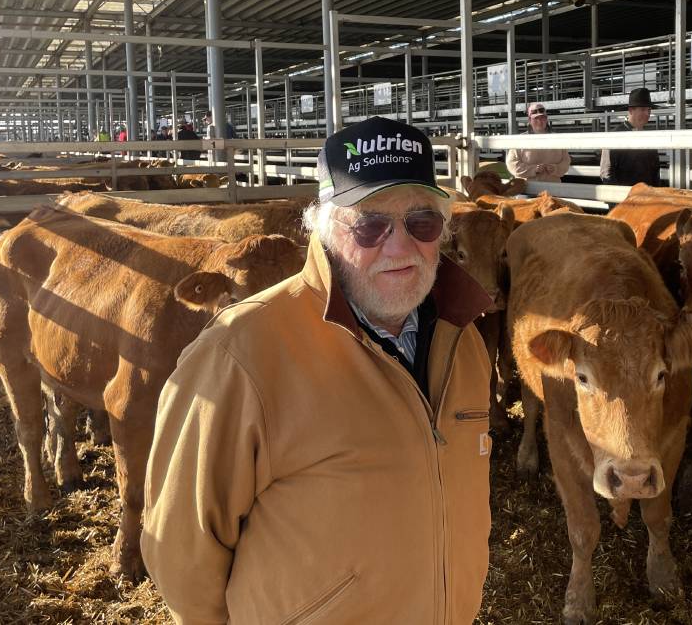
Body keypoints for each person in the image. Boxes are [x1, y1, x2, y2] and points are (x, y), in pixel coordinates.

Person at [142, 115, 494, 624]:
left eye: (421, 222)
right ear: (325, 230)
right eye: (371, 224)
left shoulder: (465, 343)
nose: (399, 247)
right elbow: (182, 552)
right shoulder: (239, 354)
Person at [600, 87, 660, 187]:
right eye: (643, 109)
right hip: (624, 197)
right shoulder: (614, 136)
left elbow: (655, 172)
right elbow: (606, 173)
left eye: (649, 110)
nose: (647, 114)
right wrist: (615, 200)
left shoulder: (649, 138)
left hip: (647, 198)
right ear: (631, 110)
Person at [506, 102, 571, 183]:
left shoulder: (557, 139)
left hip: (553, 187)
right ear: (529, 120)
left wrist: (555, 169)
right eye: (536, 118)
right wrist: (533, 170)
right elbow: (512, 164)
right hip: (527, 188)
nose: (540, 121)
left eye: (542, 118)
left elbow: (566, 162)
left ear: (546, 119)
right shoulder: (520, 140)